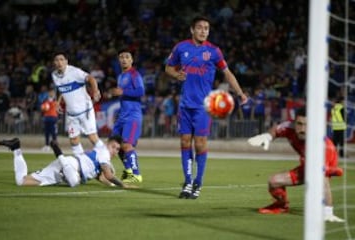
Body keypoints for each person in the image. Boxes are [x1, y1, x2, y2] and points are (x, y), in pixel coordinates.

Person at [165, 16, 247, 199]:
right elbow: (168, 68)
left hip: (203, 106)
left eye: (206, 28)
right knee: (185, 142)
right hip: (185, 105)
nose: (203, 31)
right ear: (192, 30)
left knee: (200, 144)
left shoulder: (214, 51)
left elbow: (227, 73)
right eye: (200, 27)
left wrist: (240, 93)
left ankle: (198, 183)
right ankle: (187, 182)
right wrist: (176, 74)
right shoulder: (181, 47)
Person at [248, 107, 344, 222]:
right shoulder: (289, 127)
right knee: (274, 181)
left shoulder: (320, 145)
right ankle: (281, 206)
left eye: (306, 125)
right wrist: (267, 136)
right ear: (294, 122)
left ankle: (328, 212)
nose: (302, 129)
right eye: (299, 124)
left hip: (324, 160)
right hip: (306, 165)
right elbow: (275, 130)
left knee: (320, 179)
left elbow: (324, 181)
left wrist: (328, 212)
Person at [0, 136, 129, 188]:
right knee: (74, 182)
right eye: (114, 147)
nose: (115, 151)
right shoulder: (104, 153)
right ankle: (58, 152)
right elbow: (108, 175)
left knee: (22, 181)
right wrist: (123, 185)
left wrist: (113, 186)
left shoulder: (100, 154)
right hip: (71, 166)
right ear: (107, 145)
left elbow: (100, 176)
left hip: (62, 171)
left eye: (117, 149)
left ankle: (16, 148)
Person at [51, 52, 104, 155]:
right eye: (56, 60)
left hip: (85, 111)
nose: (59, 62)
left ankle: (105, 158)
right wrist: (57, 102)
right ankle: (81, 162)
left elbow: (91, 78)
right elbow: (62, 89)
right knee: (74, 140)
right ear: (54, 62)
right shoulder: (54, 75)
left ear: (66, 61)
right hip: (71, 114)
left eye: (62, 59)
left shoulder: (75, 72)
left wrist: (95, 91)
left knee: (92, 137)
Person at [111, 49, 145, 183]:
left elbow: (140, 91)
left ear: (131, 60)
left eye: (127, 57)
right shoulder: (121, 76)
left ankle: (137, 174)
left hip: (133, 116)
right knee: (115, 144)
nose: (124, 59)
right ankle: (128, 171)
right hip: (122, 116)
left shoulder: (134, 74)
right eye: (121, 57)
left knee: (127, 145)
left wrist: (123, 91)